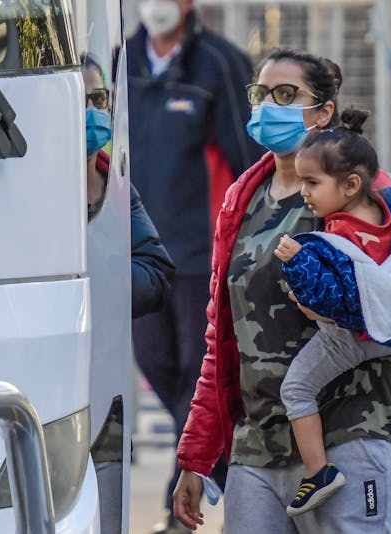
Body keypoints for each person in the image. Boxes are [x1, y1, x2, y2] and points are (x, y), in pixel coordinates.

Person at [171, 48, 391, 534]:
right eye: (260, 94)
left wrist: (340, 298)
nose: (269, 105)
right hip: (258, 447)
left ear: (324, 111)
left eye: (286, 94)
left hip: (352, 432)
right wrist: (196, 456)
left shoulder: (359, 193)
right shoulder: (241, 201)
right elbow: (222, 341)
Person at [127, 1, 263, 530]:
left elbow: (248, 159)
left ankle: (180, 503)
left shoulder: (220, 63)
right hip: (139, 252)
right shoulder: (126, 60)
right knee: (158, 361)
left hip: (200, 253)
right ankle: (223, 468)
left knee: (198, 374)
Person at [274, 109, 391, 517]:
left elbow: (333, 296)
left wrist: (298, 258)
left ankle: (319, 472)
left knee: (297, 389)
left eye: (312, 183)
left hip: (351, 339)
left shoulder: (338, 233)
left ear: (350, 184)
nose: (304, 192)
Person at [82, 57, 176, 534]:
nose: (91, 111)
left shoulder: (117, 187)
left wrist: (92, 282)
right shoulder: (19, 191)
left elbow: (157, 274)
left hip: (106, 409)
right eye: (78, 100)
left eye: (98, 99)